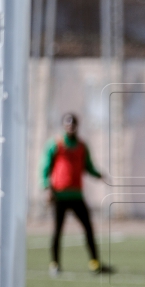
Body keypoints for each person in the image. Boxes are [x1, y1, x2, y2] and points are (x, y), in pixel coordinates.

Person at [40, 113, 108, 276]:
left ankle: (94, 263)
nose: (70, 127)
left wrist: (98, 174)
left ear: (77, 126)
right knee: (57, 230)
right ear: (64, 126)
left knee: (88, 228)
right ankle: (55, 264)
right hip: (60, 195)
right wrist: (46, 187)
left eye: (73, 124)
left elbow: (88, 166)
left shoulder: (81, 146)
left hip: (76, 195)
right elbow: (44, 167)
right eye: (67, 124)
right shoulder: (56, 144)